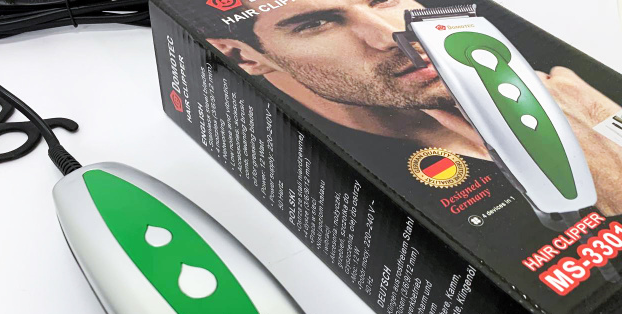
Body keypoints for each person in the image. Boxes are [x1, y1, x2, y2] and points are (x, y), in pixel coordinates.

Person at [207, 0, 622, 215]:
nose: (391, 36)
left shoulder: (575, 85)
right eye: (315, 23)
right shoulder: (337, 186)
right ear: (244, 56)